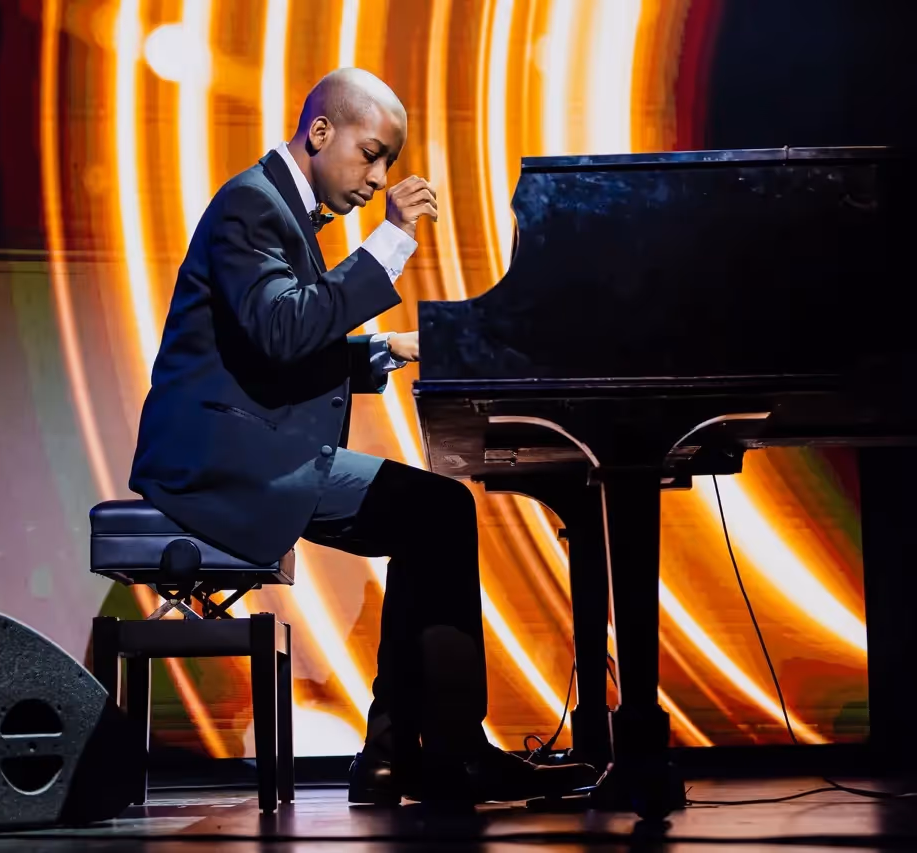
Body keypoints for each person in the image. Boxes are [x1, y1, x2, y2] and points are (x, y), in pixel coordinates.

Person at [129, 68, 597, 806]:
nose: (379, 179)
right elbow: (284, 330)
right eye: (371, 155)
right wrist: (394, 239)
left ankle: (395, 756)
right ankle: (443, 753)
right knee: (438, 512)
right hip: (223, 462)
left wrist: (384, 349)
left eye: (387, 163)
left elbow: (269, 344)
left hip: (250, 446)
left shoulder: (274, 208)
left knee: (430, 519)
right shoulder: (251, 205)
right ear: (320, 132)